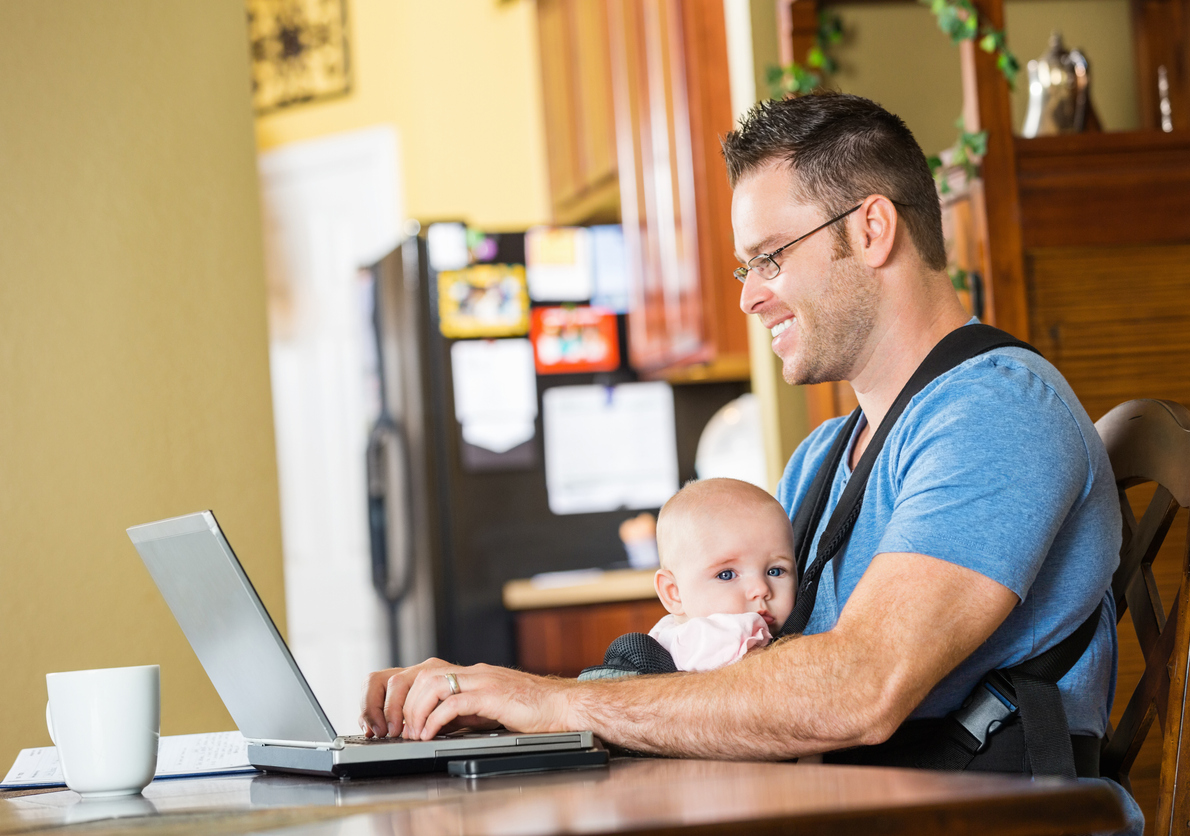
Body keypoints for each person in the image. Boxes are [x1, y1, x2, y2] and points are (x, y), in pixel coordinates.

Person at [358, 92, 1122, 784]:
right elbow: (735, 674)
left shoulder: (996, 412)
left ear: (872, 228)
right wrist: (520, 715)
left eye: (770, 257)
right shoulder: (824, 457)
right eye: (745, 267)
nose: (751, 295)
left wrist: (546, 701)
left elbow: (861, 689)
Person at [648, 478, 796, 671]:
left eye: (775, 571)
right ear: (673, 592)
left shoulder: (663, 634)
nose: (761, 589)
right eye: (726, 575)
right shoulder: (722, 639)